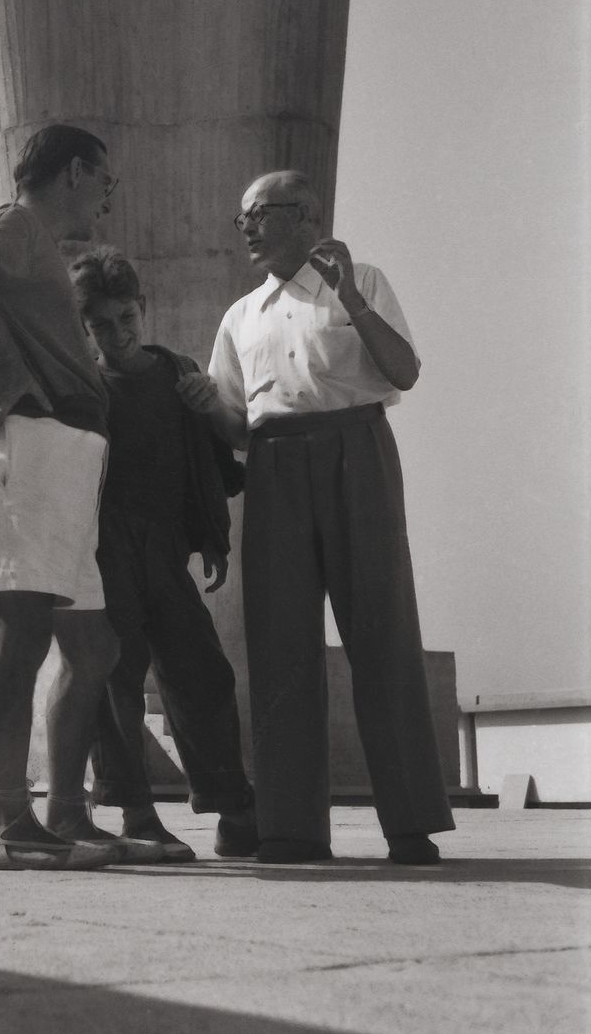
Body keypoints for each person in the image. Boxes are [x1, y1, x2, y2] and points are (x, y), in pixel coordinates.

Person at [179, 169, 454, 865]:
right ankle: (291, 827)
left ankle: (410, 824)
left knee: (383, 632)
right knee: (278, 645)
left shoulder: (363, 279)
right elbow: (239, 424)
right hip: (273, 465)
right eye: (241, 216)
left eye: (259, 213)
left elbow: (403, 371)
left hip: (357, 452)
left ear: (305, 216)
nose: (244, 227)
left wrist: (353, 298)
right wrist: (201, 402)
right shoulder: (241, 316)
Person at [0, 124, 174, 871]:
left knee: (93, 643)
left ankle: (68, 814)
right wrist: (8, 360)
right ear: (73, 171)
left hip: (67, 457)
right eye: (103, 182)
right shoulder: (18, 223)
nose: (106, 198)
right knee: (23, 630)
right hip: (31, 448)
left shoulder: (40, 248)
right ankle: (10, 820)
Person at [69, 247, 258, 861]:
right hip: (103, 550)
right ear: (85, 326)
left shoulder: (178, 374)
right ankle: (136, 813)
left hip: (166, 547)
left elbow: (205, 467)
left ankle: (232, 808)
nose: (118, 334)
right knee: (115, 679)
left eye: (127, 318)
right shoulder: (81, 385)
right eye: (102, 324)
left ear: (142, 310)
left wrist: (213, 539)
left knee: (202, 671)